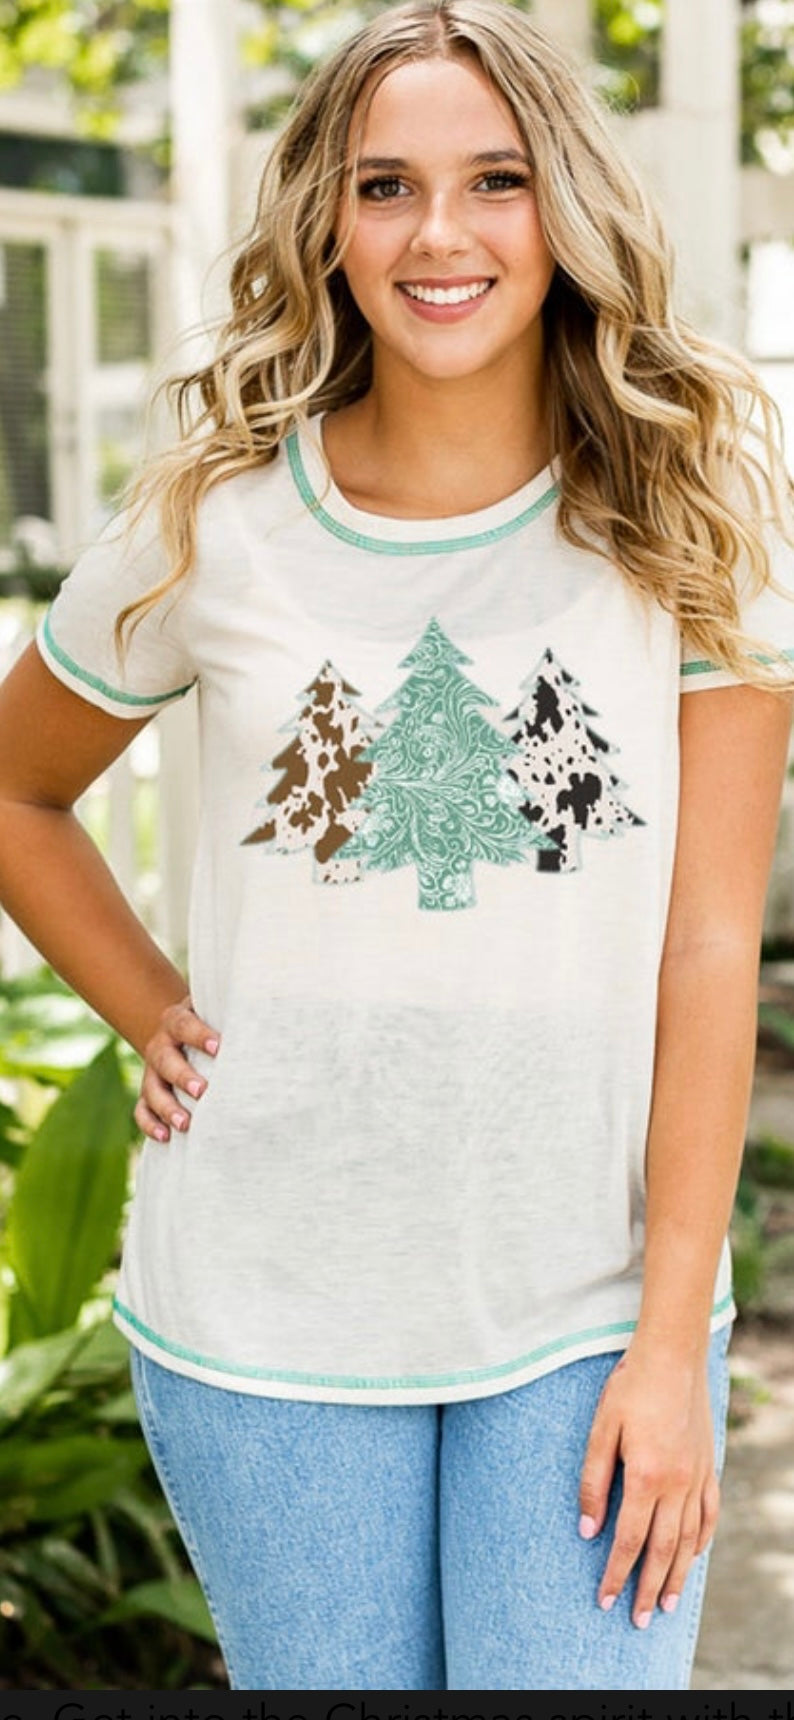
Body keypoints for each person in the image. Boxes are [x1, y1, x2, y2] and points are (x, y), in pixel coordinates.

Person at [1, 0, 793, 1692]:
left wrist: (671, 1341)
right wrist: (150, 1007)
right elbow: (16, 790)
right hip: (265, 1312)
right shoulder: (213, 521)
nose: (441, 233)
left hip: (587, 1306)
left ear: (565, 207)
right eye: (386, 186)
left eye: (496, 180)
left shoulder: (686, 511)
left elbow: (706, 945)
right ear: (328, 223)